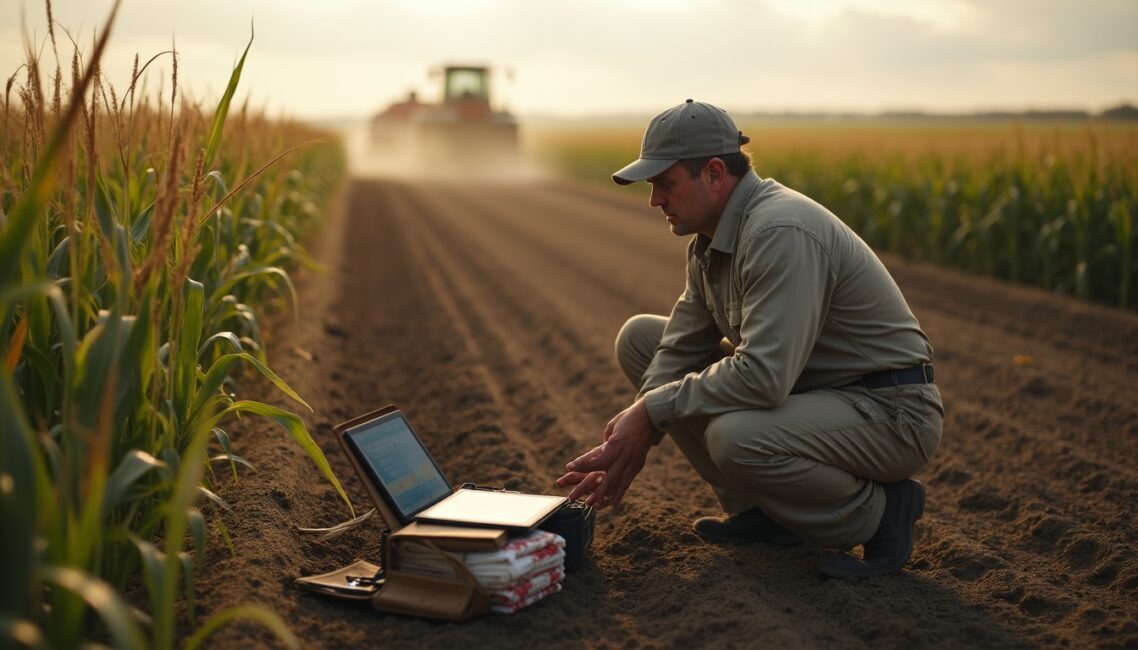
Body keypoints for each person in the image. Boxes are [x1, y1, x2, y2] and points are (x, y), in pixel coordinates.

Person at [556, 100, 944, 578]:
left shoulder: (780, 231)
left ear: (715, 173)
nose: (654, 199)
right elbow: (678, 345)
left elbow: (763, 377)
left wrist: (652, 412)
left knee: (735, 439)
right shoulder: (711, 239)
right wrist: (635, 430)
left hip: (889, 410)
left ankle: (882, 513)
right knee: (641, 339)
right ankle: (763, 513)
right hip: (816, 391)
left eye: (664, 184)